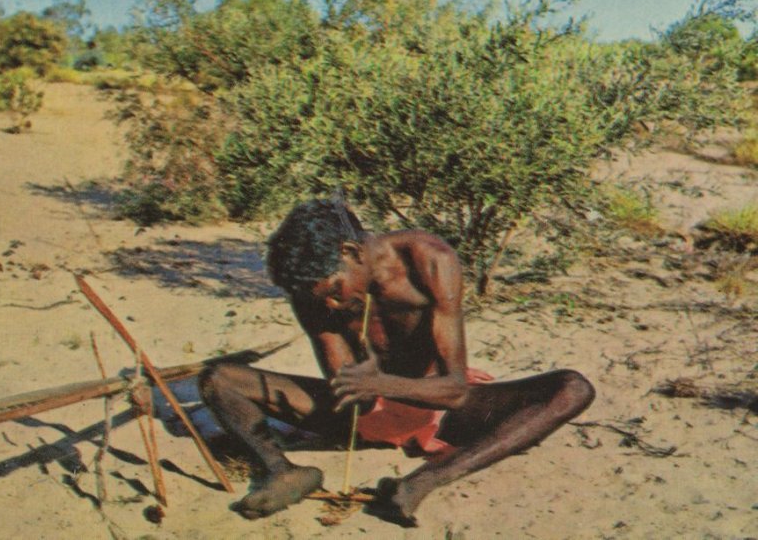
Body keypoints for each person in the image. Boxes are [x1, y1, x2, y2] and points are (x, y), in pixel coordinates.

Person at [199, 199, 595, 526]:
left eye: (336, 291)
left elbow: (454, 390)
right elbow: (352, 395)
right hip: (359, 413)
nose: (333, 305)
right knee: (218, 379)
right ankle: (280, 470)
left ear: (351, 252)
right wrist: (363, 385)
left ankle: (423, 481)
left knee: (571, 388)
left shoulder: (428, 260)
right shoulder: (312, 291)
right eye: (322, 299)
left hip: (438, 408)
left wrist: (380, 385)